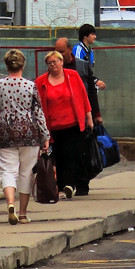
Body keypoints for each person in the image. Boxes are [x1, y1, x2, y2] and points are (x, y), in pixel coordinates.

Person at [0, 50, 49, 225]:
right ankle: (22, 213)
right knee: (26, 173)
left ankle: (10, 203)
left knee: (8, 170)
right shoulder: (30, 86)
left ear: (7, 65)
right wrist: (45, 135)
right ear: (23, 65)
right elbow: (38, 113)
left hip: (5, 132)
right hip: (29, 133)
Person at [35, 51, 92, 200]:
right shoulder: (41, 82)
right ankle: (60, 187)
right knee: (58, 157)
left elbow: (84, 97)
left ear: (61, 62)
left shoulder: (72, 76)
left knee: (71, 154)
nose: (53, 64)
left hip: (73, 123)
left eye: (55, 61)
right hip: (53, 126)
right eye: (50, 62)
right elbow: (37, 105)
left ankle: (70, 185)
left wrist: (89, 118)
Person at [71, 24, 105, 125]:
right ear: (85, 36)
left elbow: (89, 72)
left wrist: (95, 81)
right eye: (92, 34)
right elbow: (78, 71)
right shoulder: (78, 49)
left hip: (87, 87)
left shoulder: (90, 51)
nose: (95, 37)